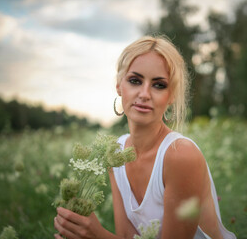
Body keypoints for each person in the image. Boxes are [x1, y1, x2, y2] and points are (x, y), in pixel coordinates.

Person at [54, 35, 236, 239]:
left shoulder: (181, 156)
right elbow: (126, 237)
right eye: (135, 81)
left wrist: (97, 236)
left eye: (159, 85)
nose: (144, 94)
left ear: (172, 95)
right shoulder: (115, 153)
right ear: (118, 85)